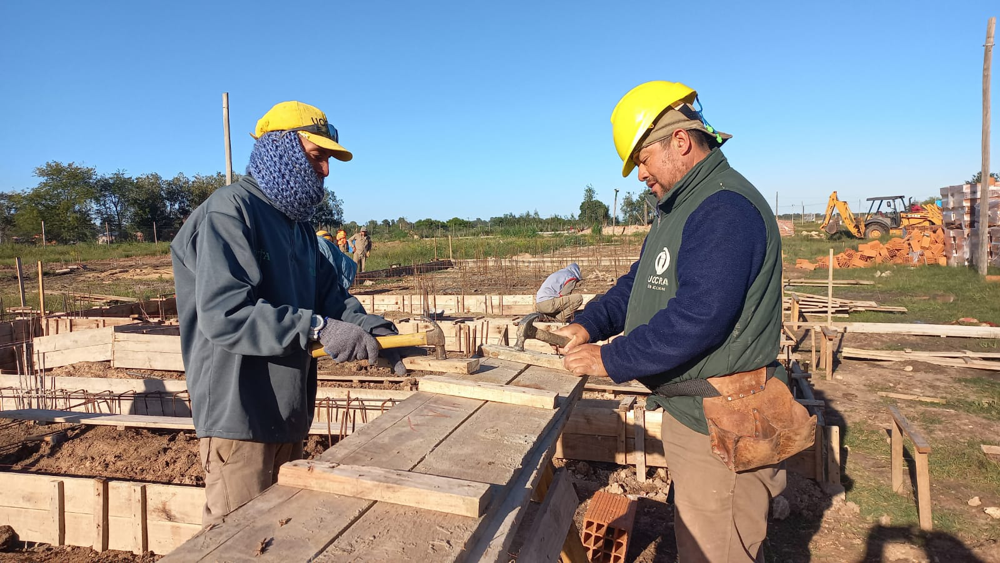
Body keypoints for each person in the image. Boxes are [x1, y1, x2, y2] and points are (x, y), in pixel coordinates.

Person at [554, 81, 814, 562]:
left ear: (680, 141)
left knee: (717, 553)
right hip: (697, 416)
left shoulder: (723, 208)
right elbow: (641, 282)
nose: (639, 175)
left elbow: (700, 317)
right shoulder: (680, 208)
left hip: (723, 419)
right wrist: (589, 324)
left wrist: (610, 357)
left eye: (643, 159)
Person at [171, 100, 401, 526]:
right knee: (236, 543)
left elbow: (333, 300)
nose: (326, 171)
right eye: (318, 157)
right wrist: (315, 326)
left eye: (329, 159)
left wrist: (377, 330)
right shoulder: (230, 211)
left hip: (288, 410)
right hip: (239, 414)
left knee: (279, 537)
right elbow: (227, 313)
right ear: (284, 149)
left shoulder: (297, 228)